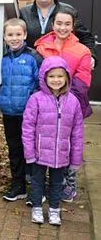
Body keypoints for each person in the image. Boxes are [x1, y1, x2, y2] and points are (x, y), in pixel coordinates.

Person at [34, 7, 92, 202]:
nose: (63, 27)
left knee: (68, 144)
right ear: (52, 24)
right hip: (45, 107)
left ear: (73, 26)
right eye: (59, 23)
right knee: (46, 143)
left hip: (71, 106)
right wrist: (46, 102)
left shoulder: (82, 50)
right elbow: (39, 78)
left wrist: (63, 102)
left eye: (67, 24)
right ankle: (43, 184)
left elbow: (81, 81)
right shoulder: (41, 47)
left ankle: (69, 185)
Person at [22, 56, 84, 226]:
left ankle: (54, 210)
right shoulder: (36, 99)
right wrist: (29, 152)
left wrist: (75, 158)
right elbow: (27, 128)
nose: (56, 80)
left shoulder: (73, 102)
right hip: (39, 152)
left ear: (67, 78)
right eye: (51, 76)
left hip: (61, 154)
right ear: (44, 77)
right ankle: (36, 207)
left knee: (57, 183)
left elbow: (77, 133)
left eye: (60, 76)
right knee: (37, 182)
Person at [0, 18, 42, 202]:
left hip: (29, 114)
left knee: (31, 150)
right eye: (10, 35)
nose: (14, 38)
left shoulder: (34, 57)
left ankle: (37, 189)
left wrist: (34, 103)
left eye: (18, 34)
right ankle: (18, 185)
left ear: (25, 35)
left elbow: (41, 83)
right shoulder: (4, 58)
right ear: (5, 37)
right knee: (14, 149)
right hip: (9, 112)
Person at [20, 0, 97, 68]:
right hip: (30, 69)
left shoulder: (68, 11)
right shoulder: (23, 12)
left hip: (60, 72)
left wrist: (91, 57)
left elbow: (86, 37)